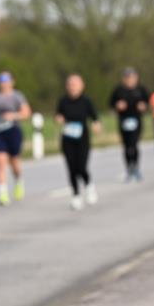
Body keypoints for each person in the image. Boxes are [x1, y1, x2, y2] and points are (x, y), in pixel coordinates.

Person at [57, 74, 102, 210]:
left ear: (82, 86)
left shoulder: (86, 101)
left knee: (81, 167)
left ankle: (89, 186)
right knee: (71, 168)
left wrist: (96, 125)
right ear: (67, 87)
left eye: (75, 85)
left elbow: (95, 117)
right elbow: (58, 115)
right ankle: (76, 195)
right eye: (70, 85)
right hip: (67, 139)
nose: (72, 87)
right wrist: (59, 119)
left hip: (82, 139)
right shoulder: (63, 101)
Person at [0, 71, 31, 206]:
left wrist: (13, 116)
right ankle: (3, 194)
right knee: (0, 161)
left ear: (12, 82)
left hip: (13, 130)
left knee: (14, 162)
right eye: (1, 82)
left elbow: (26, 113)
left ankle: (18, 180)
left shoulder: (17, 96)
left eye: (6, 81)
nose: (4, 84)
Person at [108, 67, 148, 182]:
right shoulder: (119, 90)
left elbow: (147, 103)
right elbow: (111, 105)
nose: (130, 80)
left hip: (136, 120)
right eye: (127, 77)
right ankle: (128, 168)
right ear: (124, 79)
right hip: (124, 120)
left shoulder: (141, 89)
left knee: (134, 144)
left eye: (132, 77)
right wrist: (117, 106)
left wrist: (143, 106)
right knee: (126, 146)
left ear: (136, 78)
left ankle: (136, 167)